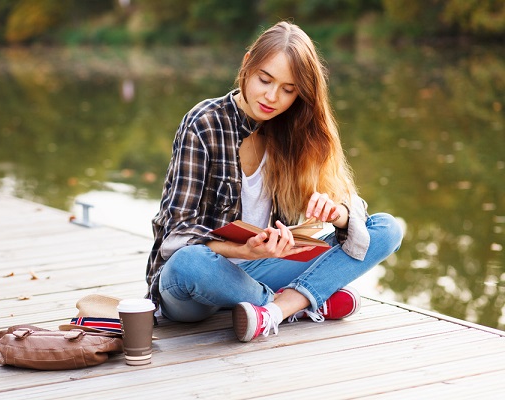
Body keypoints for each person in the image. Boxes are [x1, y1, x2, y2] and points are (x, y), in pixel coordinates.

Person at [146, 21, 403, 342]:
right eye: (264, 80)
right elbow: (174, 239)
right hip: (197, 284)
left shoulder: (296, 132)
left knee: (387, 228)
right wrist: (245, 250)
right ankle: (298, 302)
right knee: (190, 263)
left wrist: (338, 214)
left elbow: (355, 221)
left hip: (260, 269)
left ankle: (273, 310)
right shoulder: (204, 123)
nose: (272, 97)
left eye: (288, 89)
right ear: (247, 64)